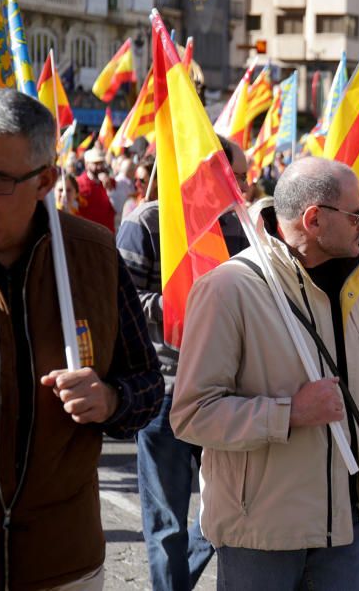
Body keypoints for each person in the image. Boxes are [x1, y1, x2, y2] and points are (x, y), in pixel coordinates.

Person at [170, 157, 359, 590]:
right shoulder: (228, 289)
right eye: (357, 214)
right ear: (314, 220)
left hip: (346, 523)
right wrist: (290, 412)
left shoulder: (355, 281)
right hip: (263, 532)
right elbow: (191, 415)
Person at [0, 89, 163, 589]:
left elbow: (148, 384)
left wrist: (110, 398)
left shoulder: (95, 256)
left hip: (63, 558)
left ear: (45, 180)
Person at [117, 136, 250, 591]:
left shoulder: (243, 228)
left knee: (233, 508)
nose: (244, 187)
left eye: (245, 179)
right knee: (167, 520)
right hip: (165, 393)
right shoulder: (147, 223)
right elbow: (121, 301)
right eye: (237, 177)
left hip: (230, 391)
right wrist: (186, 304)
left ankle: (177, 580)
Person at [76, 146, 116, 232]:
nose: (99, 167)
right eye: (95, 163)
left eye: (101, 163)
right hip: (88, 233)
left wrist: (109, 188)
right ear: (86, 164)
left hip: (108, 233)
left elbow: (118, 208)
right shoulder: (78, 183)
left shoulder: (111, 182)